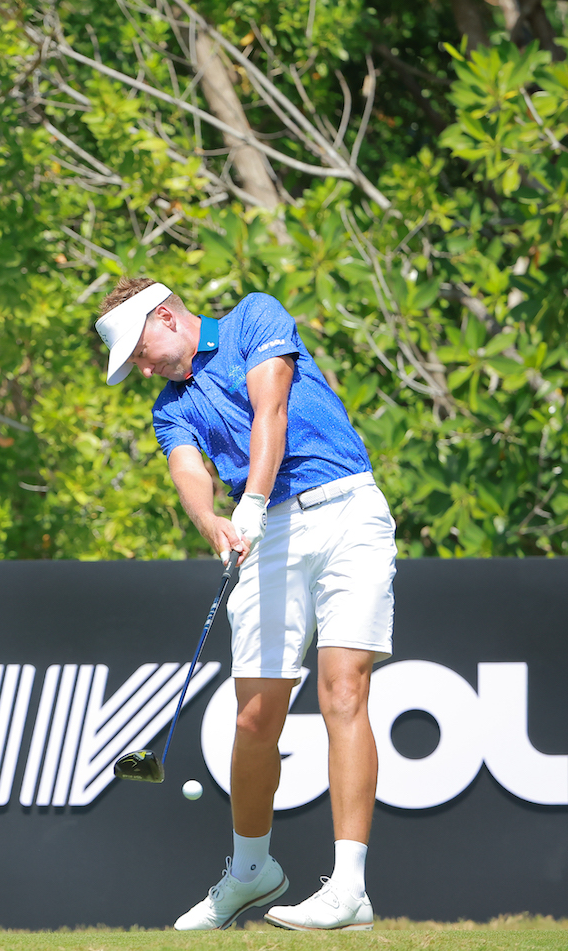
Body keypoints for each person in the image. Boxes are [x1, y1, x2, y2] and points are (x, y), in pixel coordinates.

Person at [94, 276, 396, 931]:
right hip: (266, 536)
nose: (142, 371)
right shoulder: (168, 405)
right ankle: (251, 870)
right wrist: (215, 524)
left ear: (166, 317)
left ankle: (349, 889)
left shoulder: (253, 318)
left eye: (139, 354)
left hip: (346, 507)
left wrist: (252, 500)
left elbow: (272, 411)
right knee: (255, 717)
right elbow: (187, 469)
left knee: (343, 691)